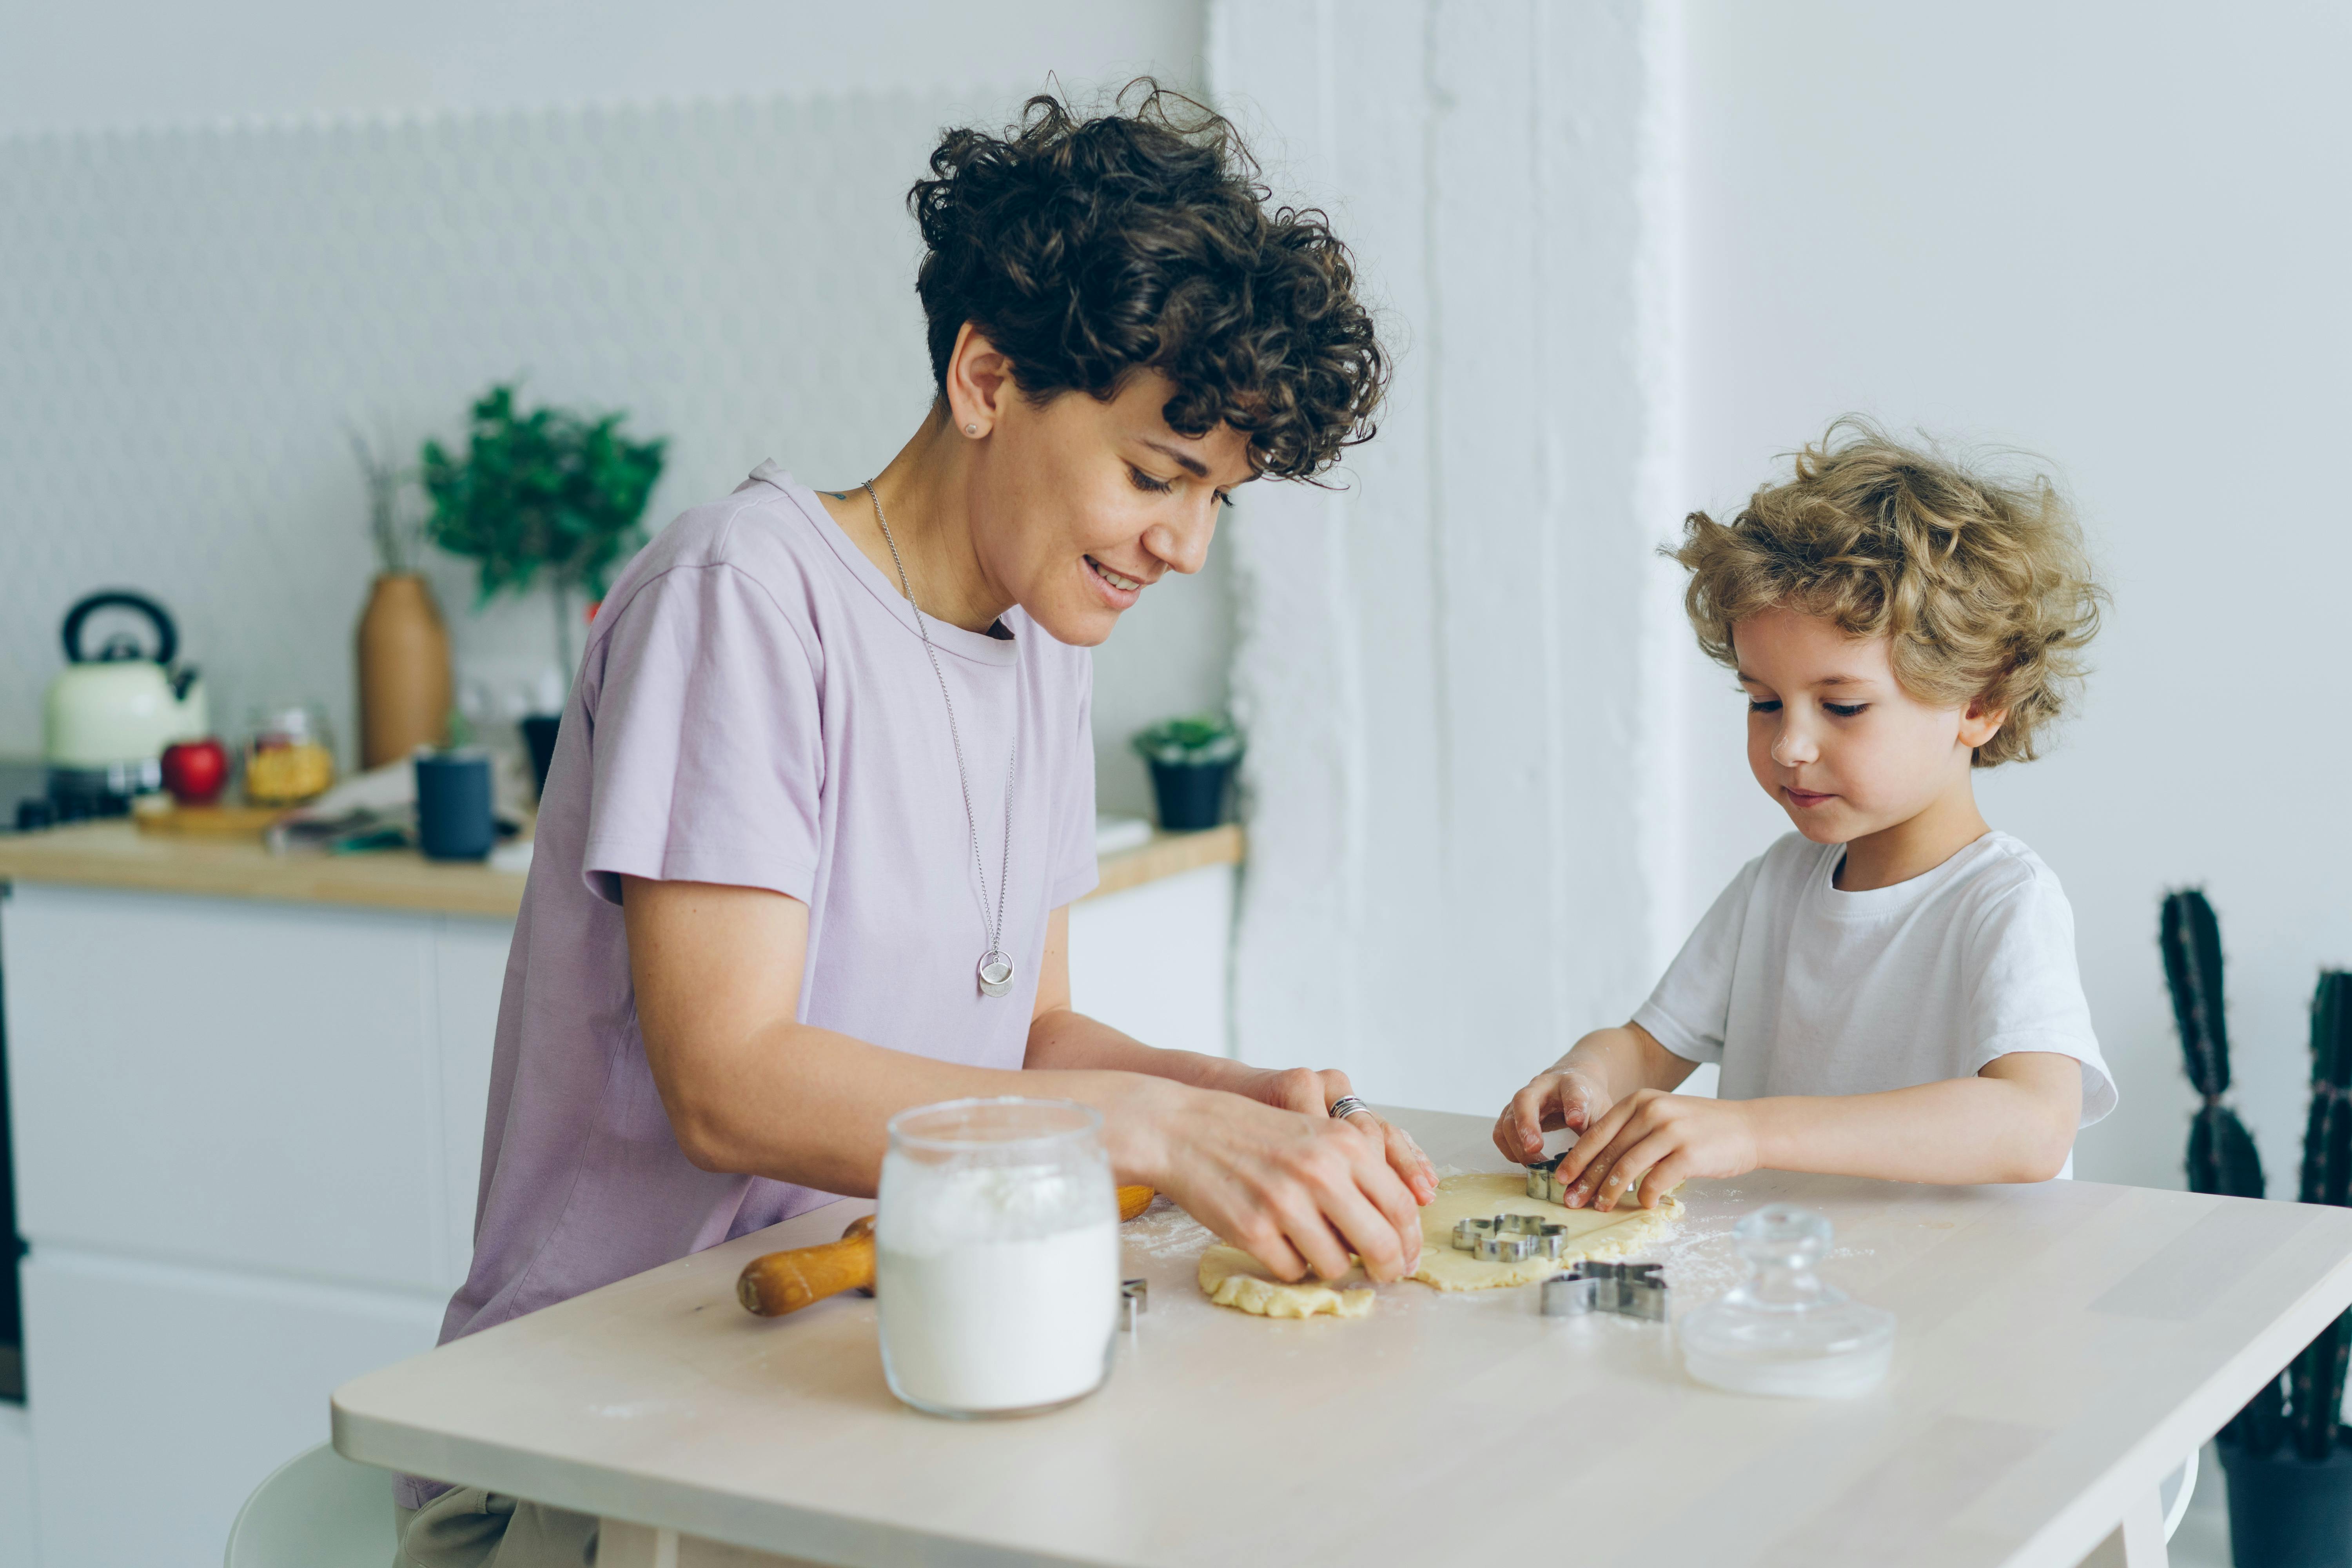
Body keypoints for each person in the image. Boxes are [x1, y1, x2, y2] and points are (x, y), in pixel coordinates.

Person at [395, 85, 1433, 1568]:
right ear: (988, 378)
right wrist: (1156, 1130)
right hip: (602, 1433)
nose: (1186, 548)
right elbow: (732, 1081)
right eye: (1156, 477)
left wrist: (1234, 1100)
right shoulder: (745, 599)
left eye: (1219, 502)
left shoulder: (1046, 649)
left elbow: (1028, 1048)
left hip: (848, 1370)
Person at [1493, 420, 2118, 1209]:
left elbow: (2032, 1124)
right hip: (1800, 1296)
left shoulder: (2003, 900)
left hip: (1967, 1310)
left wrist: (1754, 1131)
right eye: (1762, 701)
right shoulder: (1777, 886)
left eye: (1843, 705)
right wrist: (1586, 1077)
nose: (1789, 743)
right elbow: (1650, 1048)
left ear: (1981, 702)